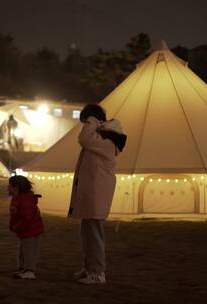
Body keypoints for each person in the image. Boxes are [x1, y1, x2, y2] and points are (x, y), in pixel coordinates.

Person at [69, 104, 126, 285]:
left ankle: (97, 273)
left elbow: (83, 139)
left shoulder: (108, 142)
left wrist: (91, 120)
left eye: (86, 122)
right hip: (92, 191)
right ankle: (89, 269)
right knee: (87, 234)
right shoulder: (102, 139)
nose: (85, 126)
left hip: (97, 192)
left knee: (93, 234)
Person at [8, 175, 44, 280]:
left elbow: (27, 218)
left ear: (16, 188)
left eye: (9, 186)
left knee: (29, 251)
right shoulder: (17, 199)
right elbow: (15, 215)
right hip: (24, 231)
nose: (7, 188)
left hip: (31, 231)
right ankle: (23, 269)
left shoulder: (25, 201)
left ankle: (29, 271)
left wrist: (17, 227)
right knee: (23, 250)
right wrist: (12, 225)